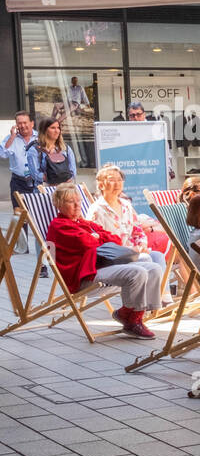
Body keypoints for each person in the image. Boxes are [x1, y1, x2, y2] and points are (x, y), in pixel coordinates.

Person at [47, 183, 163, 340]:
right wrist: (97, 237)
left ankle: (130, 314)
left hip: (101, 266)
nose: (77, 205)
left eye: (79, 200)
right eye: (70, 201)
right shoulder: (59, 225)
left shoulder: (82, 223)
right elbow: (86, 243)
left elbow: (114, 238)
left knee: (154, 268)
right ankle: (131, 320)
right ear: (59, 205)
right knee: (138, 272)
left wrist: (96, 237)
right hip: (85, 276)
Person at [86, 164, 171, 299]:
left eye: (120, 179)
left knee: (158, 256)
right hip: (112, 257)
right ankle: (145, 304)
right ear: (101, 185)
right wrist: (133, 250)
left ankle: (164, 299)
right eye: (111, 179)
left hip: (132, 252)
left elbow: (137, 229)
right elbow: (99, 243)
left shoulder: (126, 205)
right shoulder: (96, 210)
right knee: (146, 258)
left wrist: (142, 244)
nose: (117, 183)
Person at [4, 111, 38, 253]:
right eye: (19, 123)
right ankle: (23, 247)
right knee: (19, 214)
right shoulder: (11, 138)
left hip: (36, 181)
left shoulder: (39, 138)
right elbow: (3, 153)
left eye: (25, 122)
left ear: (31, 123)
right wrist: (12, 136)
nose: (22, 126)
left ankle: (42, 244)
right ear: (16, 125)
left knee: (37, 213)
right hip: (18, 181)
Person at [126, 101, 175, 182]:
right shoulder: (125, 131)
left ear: (144, 114)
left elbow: (166, 153)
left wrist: (168, 171)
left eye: (138, 114)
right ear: (128, 117)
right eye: (132, 115)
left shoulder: (155, 129)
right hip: (134, 176)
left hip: (155, 174)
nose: (136, 118)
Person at [26, 117, 77, 188]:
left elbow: (73, 171)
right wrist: (53, 180)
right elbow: (35, 174)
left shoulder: (65, 148)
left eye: (58, 128)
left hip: (65, 190)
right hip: (44, 190)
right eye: (53, 128)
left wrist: (62, 182)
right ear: (44, 130)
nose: (57, 131)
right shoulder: (35, 150)